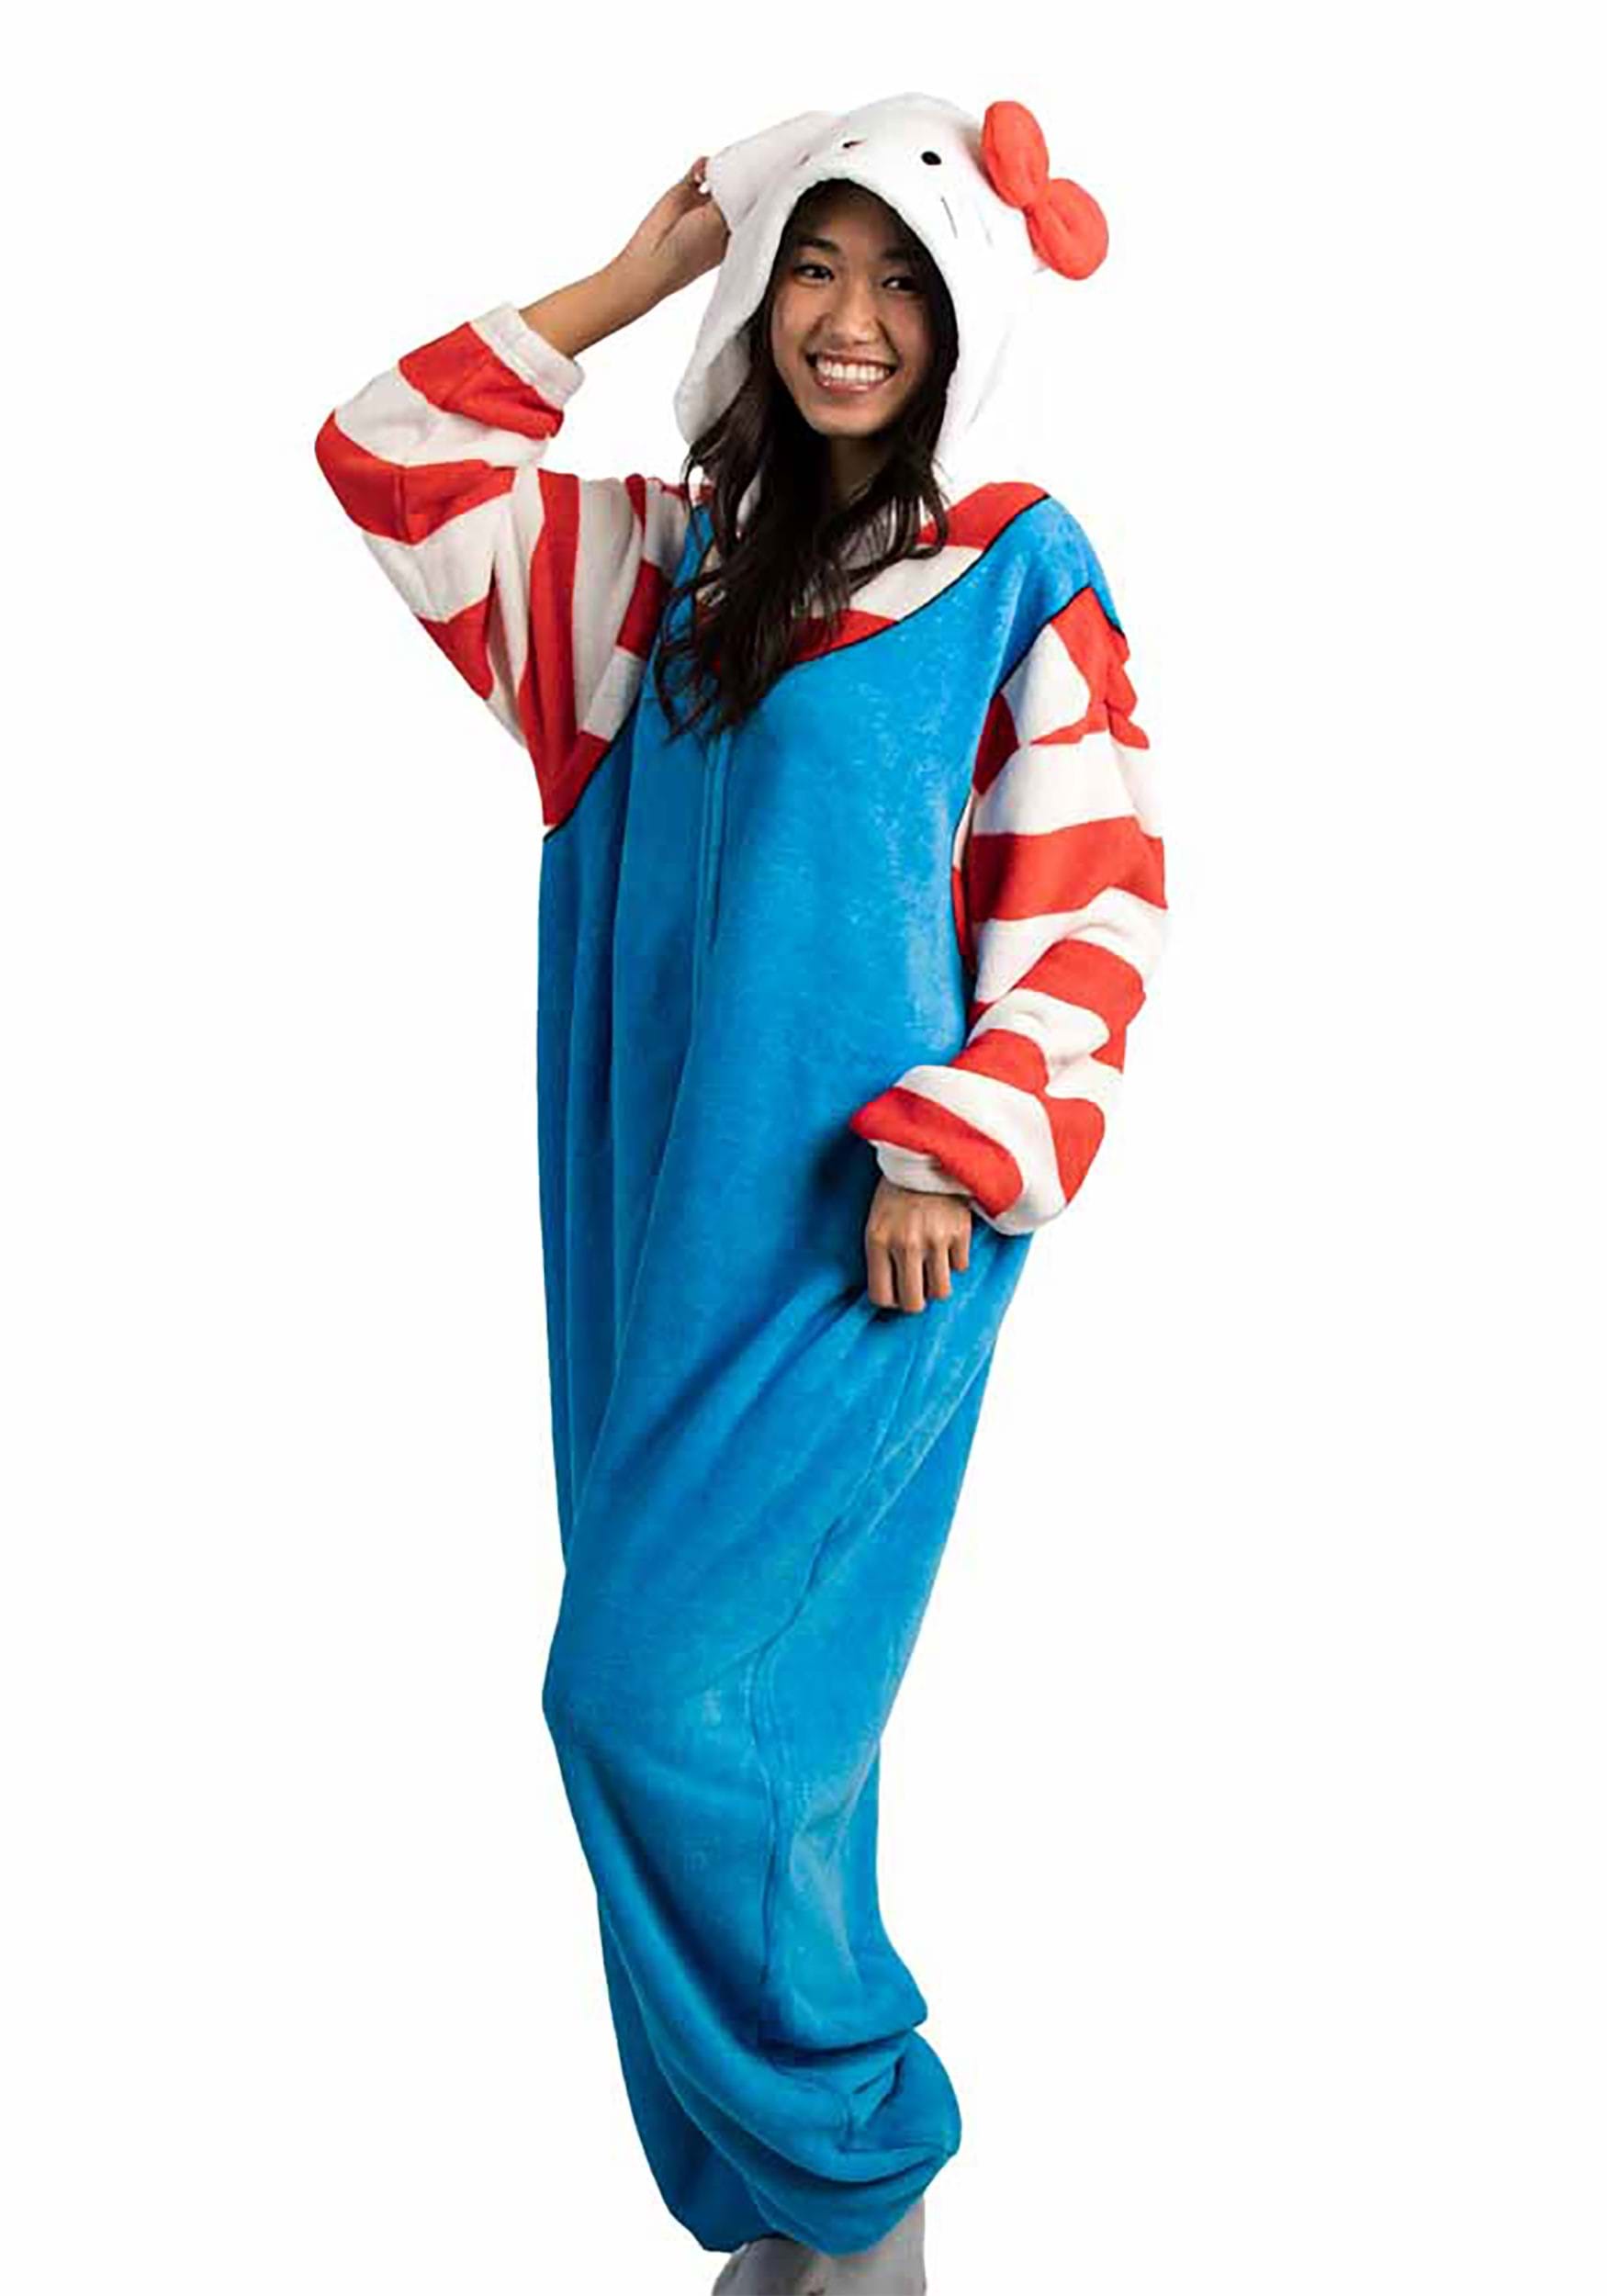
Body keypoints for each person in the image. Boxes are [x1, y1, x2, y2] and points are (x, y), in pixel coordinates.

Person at [315, 88, 1167, 2296]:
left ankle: (861, 2179)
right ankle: (790, 2225)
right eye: (813, 264)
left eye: (899, 280)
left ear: (958, 324)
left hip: (872, 1245)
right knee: (770, 1734)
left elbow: (1091, 892)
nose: (848, 317)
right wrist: (633, 276)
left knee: (645, 1699)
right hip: (655, 1228)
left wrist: (950, 1141)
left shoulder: (1009, 567)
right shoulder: (654, 579)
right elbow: (390, 459)